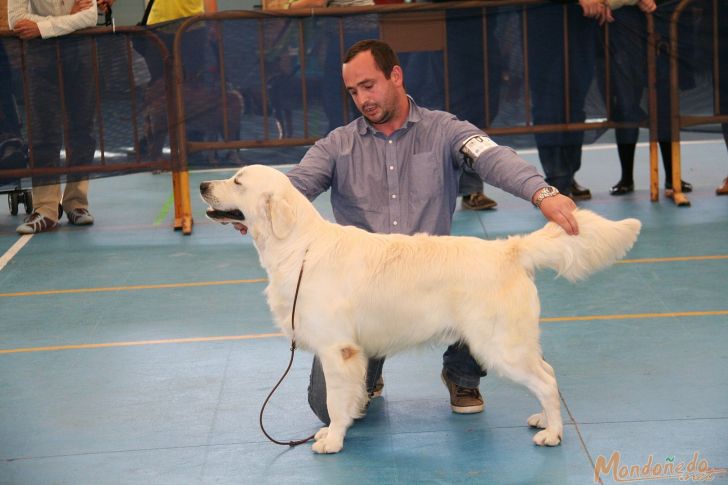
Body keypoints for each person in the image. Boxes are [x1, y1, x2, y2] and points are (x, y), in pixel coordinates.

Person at [268, 39, 578, 424]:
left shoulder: (445, 130)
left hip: (436, 279)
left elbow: (492, 158)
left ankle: (461, 374)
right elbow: (293, 188)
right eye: (353, 92)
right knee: (324, 408)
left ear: (395, 76)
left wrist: (541, 192)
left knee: (481, 278)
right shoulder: (337, 145)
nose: (363, 99)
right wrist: (256, 207)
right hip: (365, 293)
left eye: (369, 85)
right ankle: (369, 372)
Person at [9, 0, 98, 234]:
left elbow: (89, 16)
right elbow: (16, 19)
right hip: (39, 57)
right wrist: (68, 20)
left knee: (83, 131)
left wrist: (42, 28)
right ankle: (45, 209)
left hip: (79, 53)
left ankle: (77, 203)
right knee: (43, 133)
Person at [604, 0, 692, 198]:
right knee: (626, 103)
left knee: (666, 103)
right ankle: (626, 177)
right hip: (624, 27)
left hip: (665, 21)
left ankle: (672, 175)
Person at [526, 0, 612, 201]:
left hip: (580, 26)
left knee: (574, 105)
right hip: (544, 24)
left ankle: (569, 174)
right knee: (548, 104)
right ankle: (556, 179)